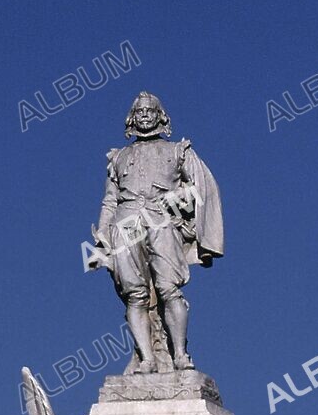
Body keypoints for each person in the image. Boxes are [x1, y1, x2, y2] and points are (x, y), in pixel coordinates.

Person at [88, 92, 223, 372]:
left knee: (168, 288)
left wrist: (176, 203)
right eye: (140, 111)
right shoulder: (118, 157)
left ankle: (180, 355)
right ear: (132, 118)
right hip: (124, 224)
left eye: (150, 110)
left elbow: (200, 188)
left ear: (160, 115)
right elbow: (110, 200)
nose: (145, 115)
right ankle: (147, 359)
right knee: (134, 295)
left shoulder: (178, 150)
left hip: (161, 220)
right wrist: (102, 236)